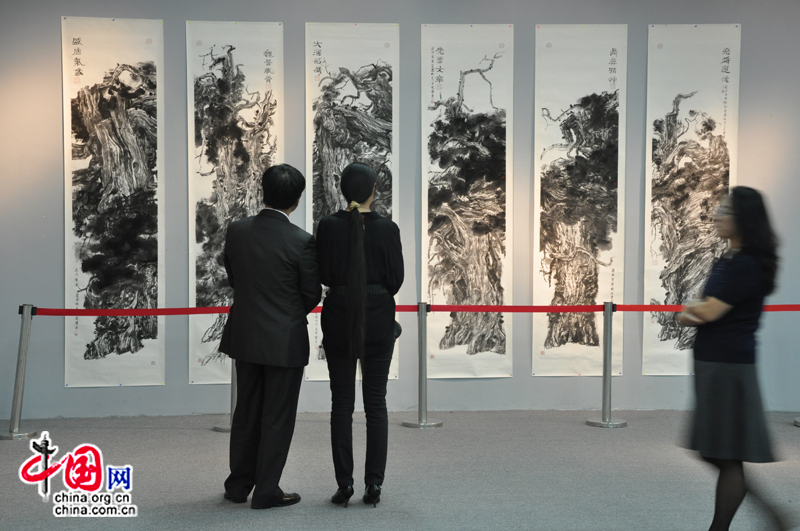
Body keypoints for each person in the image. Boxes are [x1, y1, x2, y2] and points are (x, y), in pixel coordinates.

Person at [678, 186, 787, 531]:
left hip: (728, 366)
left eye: (725, 211)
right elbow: (699, 307)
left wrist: (692, 311)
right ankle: (771, 513)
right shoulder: (728, 260)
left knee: (722, 452)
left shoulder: (746, 266)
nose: (717, 216)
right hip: (715, 362)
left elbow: (705, 311)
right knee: (716, 450)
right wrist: (695, 309)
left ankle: (724, 527)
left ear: (745, 220)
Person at [220, 164, 322, 510]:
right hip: (285, 338)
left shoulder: (237, 231)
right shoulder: (302, 241)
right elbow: (311, 294)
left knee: (246, 411)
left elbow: (233, 276)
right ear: (296, 200)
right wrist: (286, 313)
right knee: (277, 416)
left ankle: (237, 485)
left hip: (245, 334)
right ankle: (266, 490)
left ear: (263, 191)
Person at [316, 162, 404, 508]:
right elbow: (395, 280)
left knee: (341, 405)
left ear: (342, 191)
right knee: (376, 405)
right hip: (379, 319)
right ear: (373, 191)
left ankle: (344, 484)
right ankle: (374, 485)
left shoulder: (327, 226)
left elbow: (322, 272)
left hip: (338, 317)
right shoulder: (387, 229)